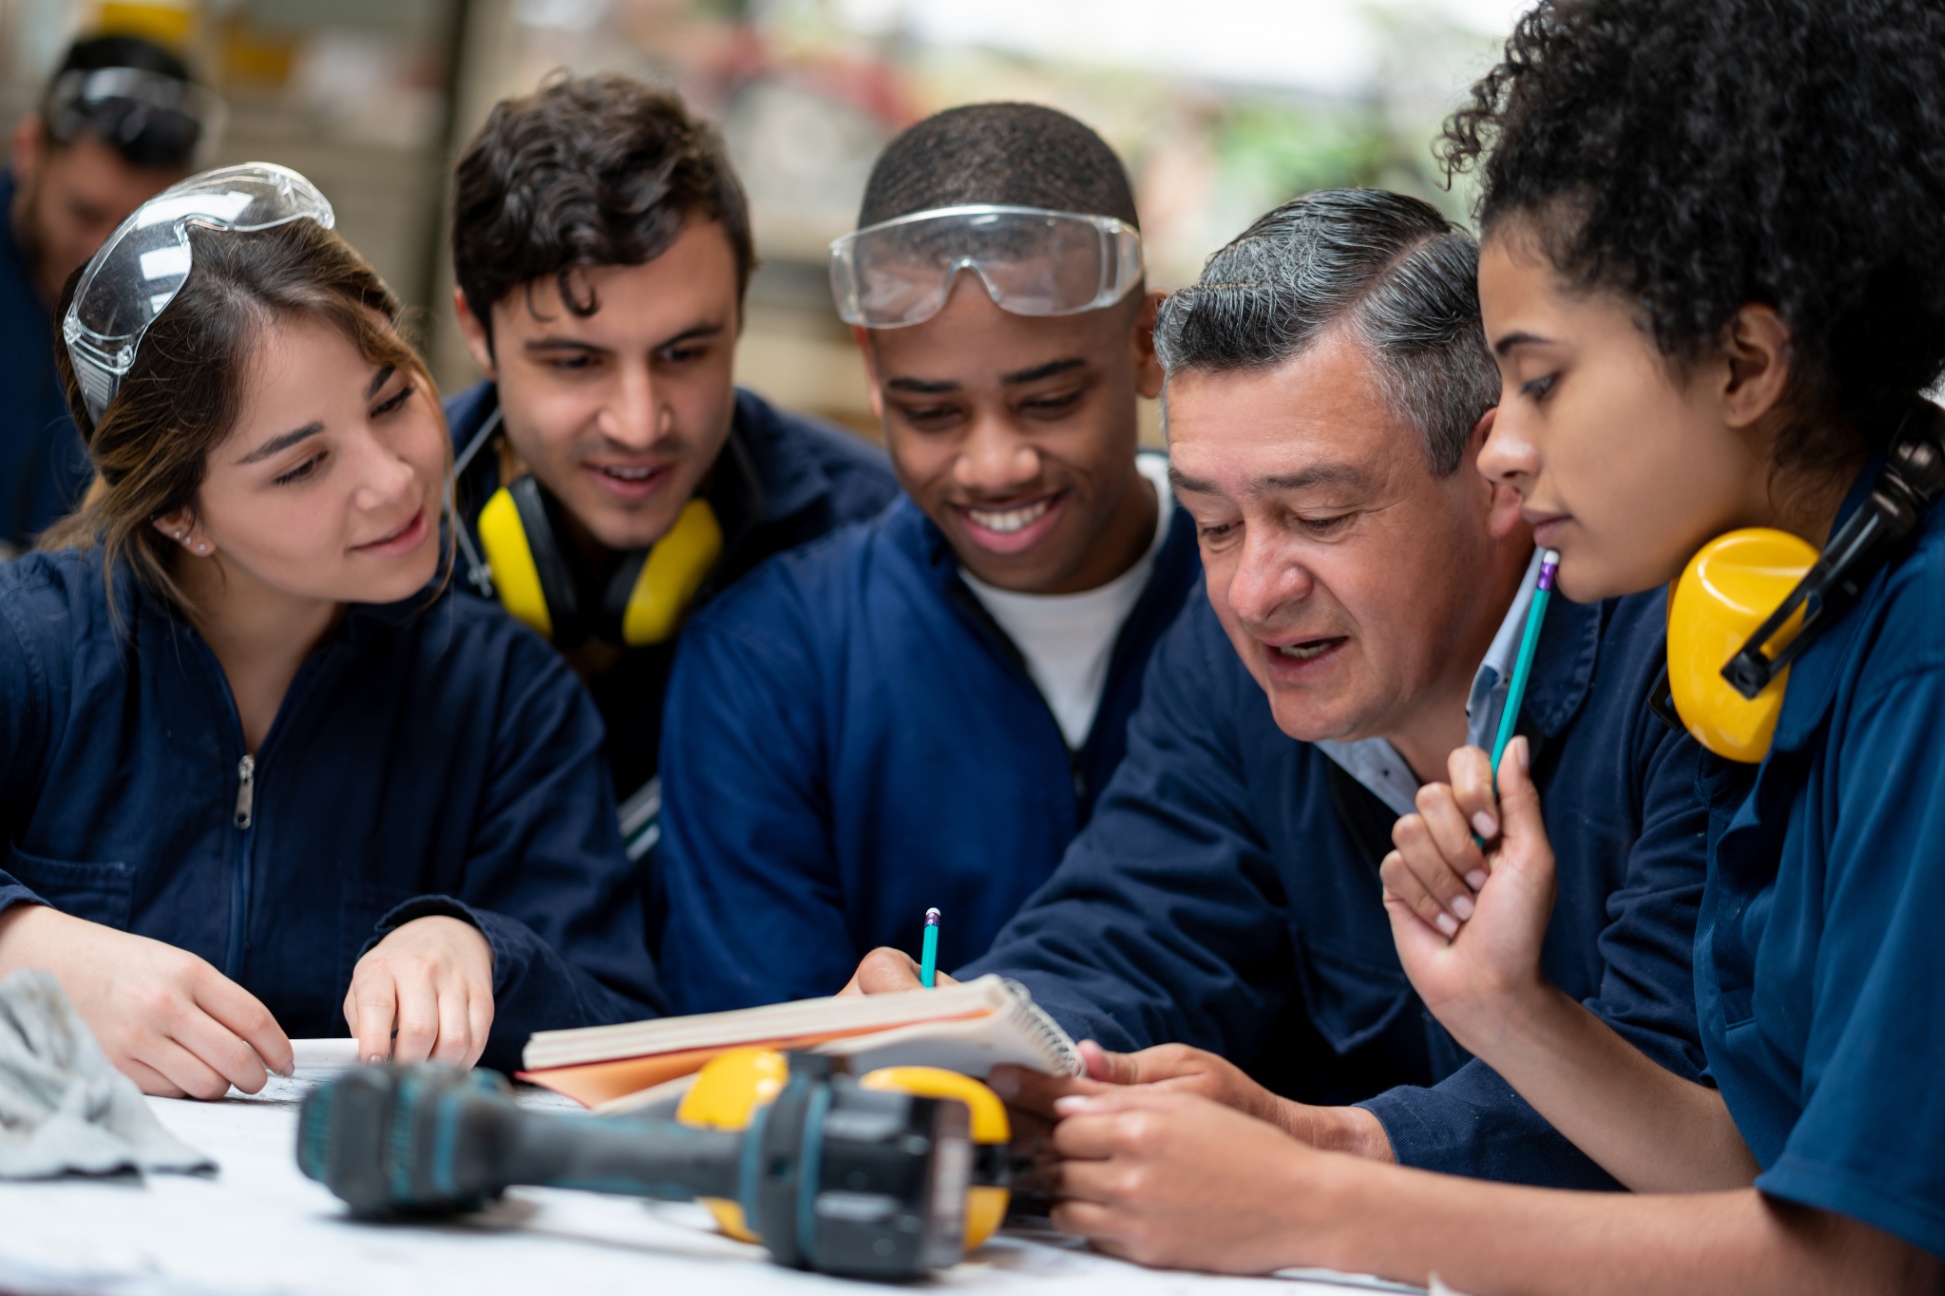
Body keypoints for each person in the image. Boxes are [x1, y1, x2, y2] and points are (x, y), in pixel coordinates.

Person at [1022, 1, 1945, 1290]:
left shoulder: (1912, 663)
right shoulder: (1812, 629)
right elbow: (1740, 1166)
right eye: (1215, 522)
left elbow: (1865, 1267)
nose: (1506, 448)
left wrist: (1314, 1204)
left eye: (1541, 378)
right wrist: (1505, 1010)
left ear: (1743, 363)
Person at [846, 187, 1710, 1188]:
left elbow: (1688, 1109)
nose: (1254, 594)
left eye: (1318, 515)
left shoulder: (1681, 663)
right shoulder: (1227, 663)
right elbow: (1131, 928)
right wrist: (983, 1036)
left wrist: (1326, 1155)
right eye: (1212, 525)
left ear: (1497, 480)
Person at [0, 165, 662, 1102]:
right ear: (178, 515)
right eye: (303, 465)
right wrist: (27, 950)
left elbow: (628, 1031)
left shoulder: (506, 699)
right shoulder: (30, 648)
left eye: (391, 399)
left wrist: (480, 948)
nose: (392, 481)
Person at [654, 103, 1201, 1011]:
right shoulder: (771, 662)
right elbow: (749, 1051)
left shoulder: (1266, 616)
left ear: (1147, 343)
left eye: (1050, 399)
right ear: (872, 373)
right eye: (932, 413)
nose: (995, 465)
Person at [445, 74, 898, 863]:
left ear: (740, 311)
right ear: (476, 331)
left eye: (684, 354)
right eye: (576, 361)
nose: (639, 422)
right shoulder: (367, 535)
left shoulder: (874, 541)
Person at [1, 34, 219, 554]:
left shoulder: (195, 323)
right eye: (82, 213)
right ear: (29, 150)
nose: (100, 255)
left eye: (130, 229)